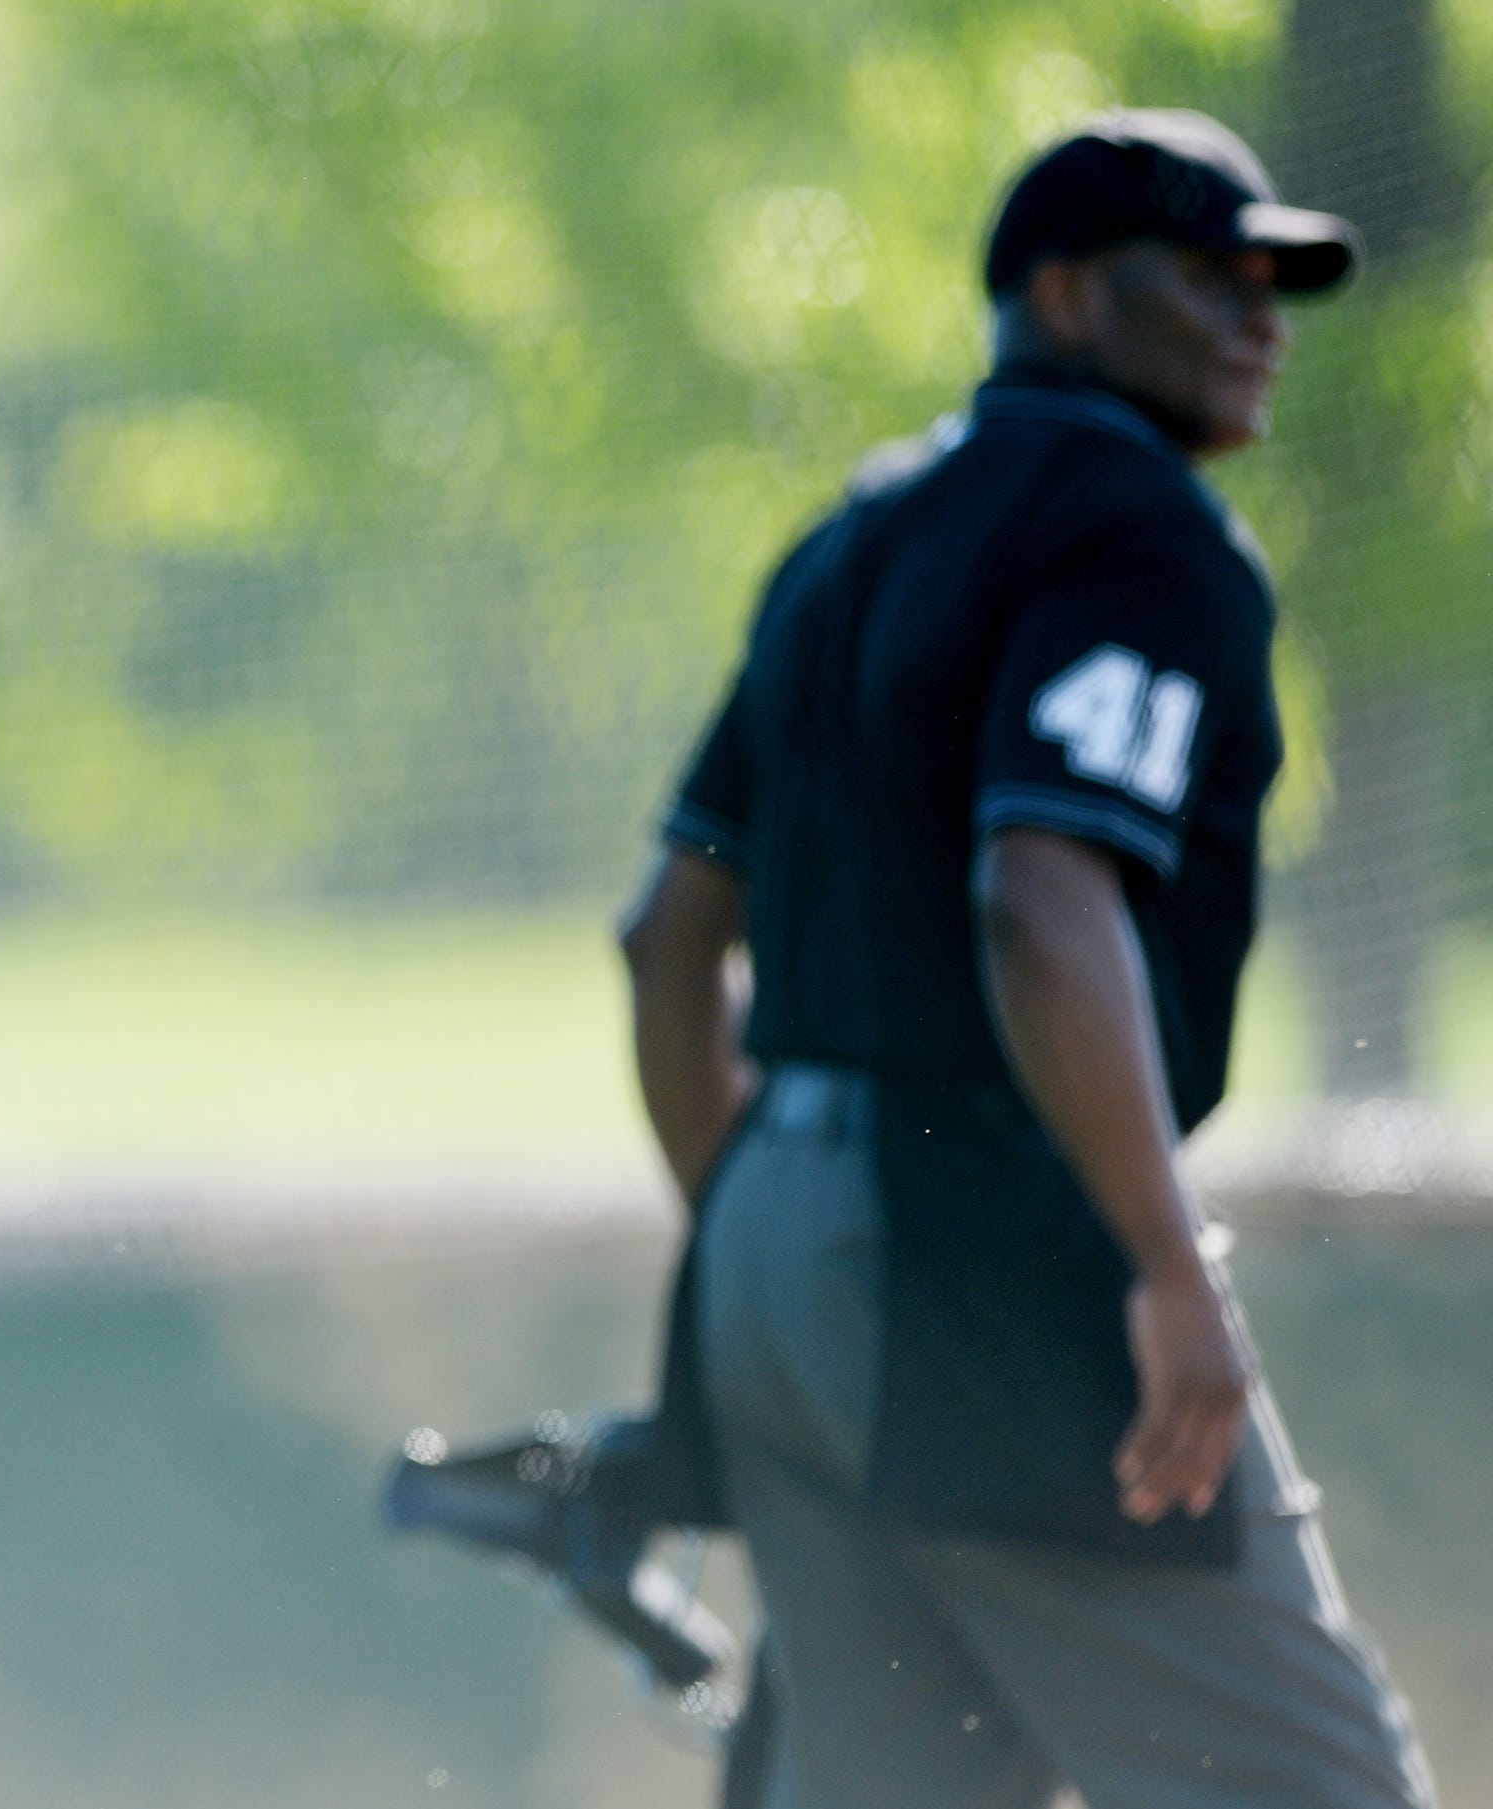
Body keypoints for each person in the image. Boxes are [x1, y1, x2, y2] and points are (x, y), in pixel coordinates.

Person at [618, 111, 1436, 1806]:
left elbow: (668, 937)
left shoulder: (849, 543)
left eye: (1275, 285)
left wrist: (775, 1246)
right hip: (978, 1245)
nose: (1261, 317)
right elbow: (1043, 893)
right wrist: (1164, 1261)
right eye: (1213, 277)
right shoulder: (1140, 528)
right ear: (1062, 294)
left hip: (772, 1228)